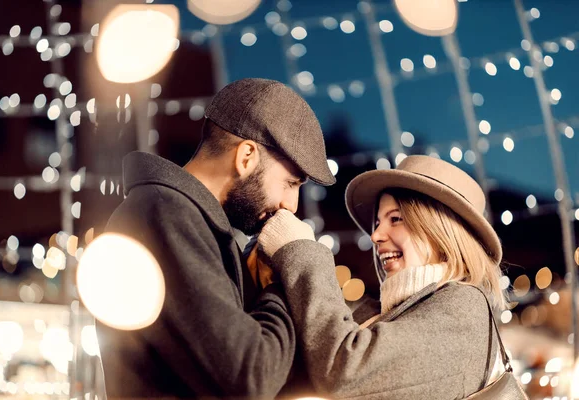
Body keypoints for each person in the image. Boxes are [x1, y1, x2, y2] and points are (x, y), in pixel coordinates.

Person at [96, 78, 335, 399]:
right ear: (246, 156)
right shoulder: (165, 215)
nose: (290, 206)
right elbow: (251, 376)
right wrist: (278, 282)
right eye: (290, 183)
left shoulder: (192, 223)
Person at [257, 155, 508, 399]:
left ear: (439, 230)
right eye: (377, 222)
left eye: (396, 219)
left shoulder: (464, 307)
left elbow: (344, 373)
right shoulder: (389, 312)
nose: (376, 235)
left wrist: (299, 251)